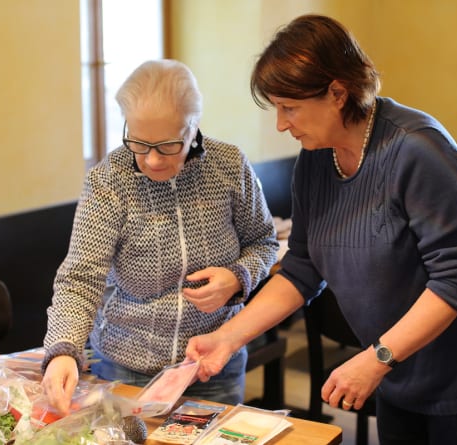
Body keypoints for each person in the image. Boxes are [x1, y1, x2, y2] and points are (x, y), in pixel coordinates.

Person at [186, 14, 457, 445]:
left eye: (290, 107)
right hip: (396, 361)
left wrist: (378, 358)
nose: (281, 123)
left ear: (337, 92)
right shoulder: (316, 156)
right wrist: (226, 338)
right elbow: (302, 268)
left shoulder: (418, 150)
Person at [41, 59, 279, 414]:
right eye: (138, 142)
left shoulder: (229, 166)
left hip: (213, 362)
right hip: (125, 366)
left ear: (192, 127)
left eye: (168, 145)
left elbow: (264, 242)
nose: (151, 160)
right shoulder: (110, 179)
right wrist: (63, 348)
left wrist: (237, 278)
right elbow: (80, 278)